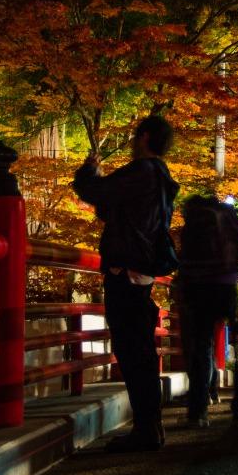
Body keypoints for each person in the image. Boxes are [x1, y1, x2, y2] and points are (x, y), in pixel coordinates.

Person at [74, 116, 179, 452]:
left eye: (137, 136)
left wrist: (88, 172)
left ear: (145, 137)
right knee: (141, 349)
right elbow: (123, 209)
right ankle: (150, 425)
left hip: (127, 269)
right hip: (145, 268)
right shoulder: (161, 177)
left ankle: (146, 429)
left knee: (132, 349)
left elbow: (93, 192)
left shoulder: (141, 172)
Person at [176, 194, 238, 427]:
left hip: (199, 287)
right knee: (235, 349)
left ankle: (199, 410)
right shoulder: (228, 217)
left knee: (201, 344)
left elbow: (185, 257)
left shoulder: (195, 222)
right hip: (226, 286)